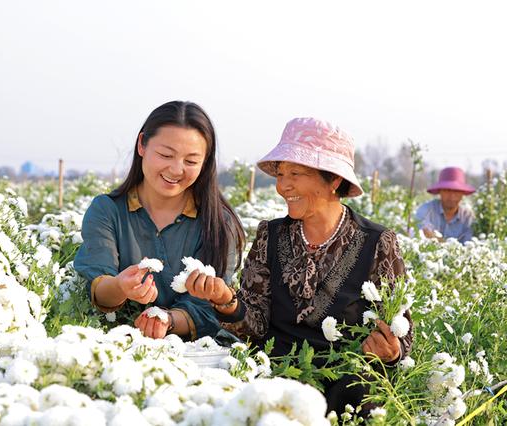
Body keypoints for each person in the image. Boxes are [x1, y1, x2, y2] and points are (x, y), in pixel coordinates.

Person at [184, 117, 413, 413]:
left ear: (334, 180)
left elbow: (401, 331)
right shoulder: (270, 235)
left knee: (358, 391)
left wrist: (391, 352)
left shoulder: (377, 243)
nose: (283, 185)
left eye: (296, 173)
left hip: (342, 387)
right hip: (274, 375)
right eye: (280, 174)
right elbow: (255, 326)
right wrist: (227, 302)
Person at [73, 100, 245, 341]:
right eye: (166, 155)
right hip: (117, 343)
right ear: (142, 144)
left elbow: (206, 310)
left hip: (199, 352)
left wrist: (167, 321)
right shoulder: (107, 211)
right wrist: (121, 286)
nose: (176, 169)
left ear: (205, 163)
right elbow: (99, 289)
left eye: (191, 161)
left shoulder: (218, 223)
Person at [415, 167, 475, 243]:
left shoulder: (467, 216)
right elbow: (421, 235)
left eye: (457, 191)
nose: (452, 196)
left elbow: (468, 244)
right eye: (447, 190)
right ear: (440, 191)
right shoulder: (426, 210)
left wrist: (436, 239)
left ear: (462, 193)